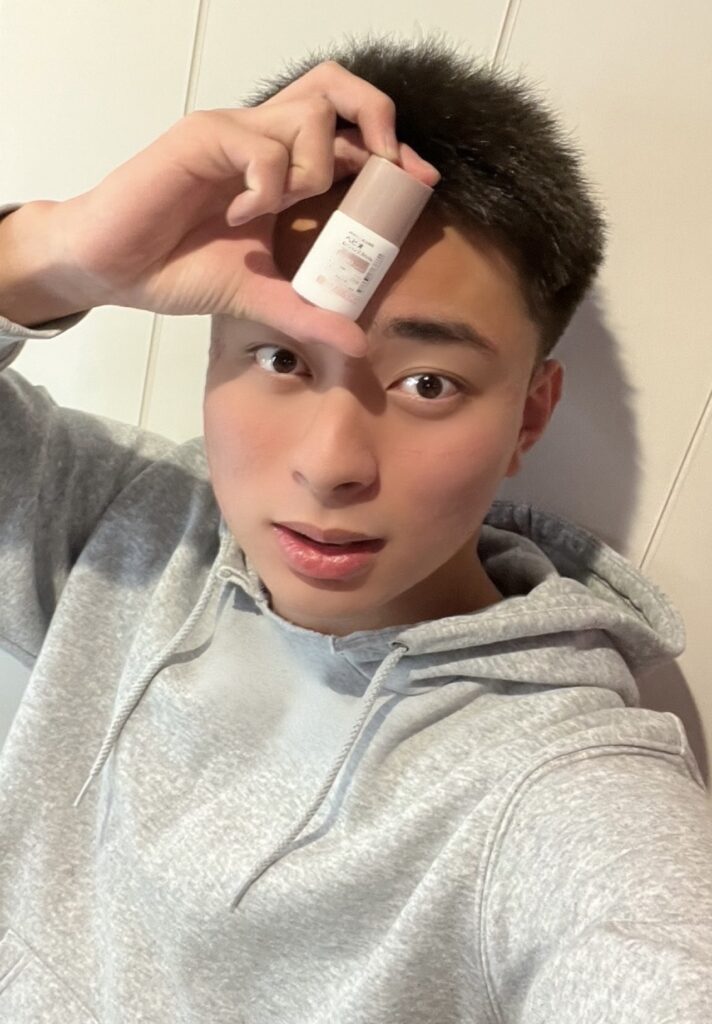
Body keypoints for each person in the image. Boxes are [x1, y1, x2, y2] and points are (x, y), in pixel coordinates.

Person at [1, 33, 710, 1024]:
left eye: (429, 384)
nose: (331, 461)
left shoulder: (556, 778)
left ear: (530, 417)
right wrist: (50, 254)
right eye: (282, 359)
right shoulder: (120, 522)